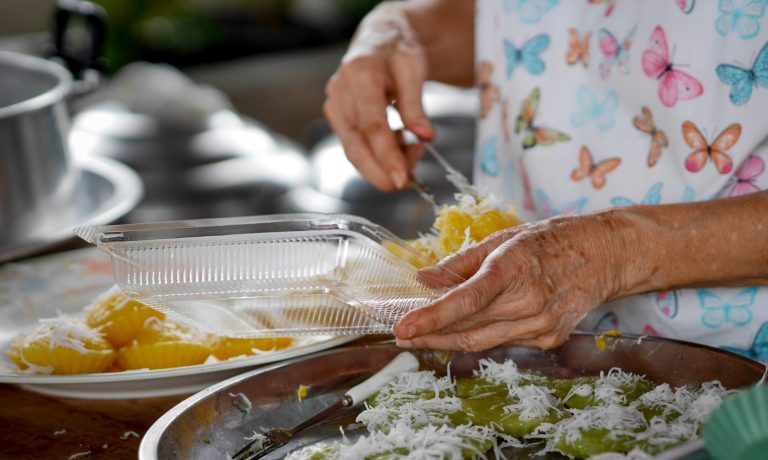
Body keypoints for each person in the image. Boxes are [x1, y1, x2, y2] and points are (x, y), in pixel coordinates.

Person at [323, 0, 768, 358]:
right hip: (530, 352)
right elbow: (516, 20)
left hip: (739, 370)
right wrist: (398, 30)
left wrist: (611, 252)